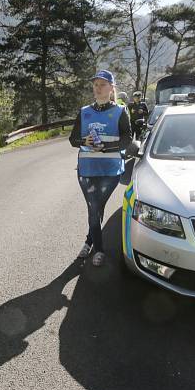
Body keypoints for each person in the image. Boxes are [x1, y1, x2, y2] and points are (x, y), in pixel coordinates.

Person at [70, 70, 131, 266]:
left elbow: (127, 140)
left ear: (112, 88)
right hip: (86, 170)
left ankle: (92, 245)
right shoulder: (84, 111)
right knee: (94, 208)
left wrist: (105, 147)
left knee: (96, 207)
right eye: (95, 84)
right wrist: (83, 140)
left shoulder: (120, 112)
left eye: (103, 84)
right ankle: (96, 248)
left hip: (110, 171)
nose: (98, 88)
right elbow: (73, 139)